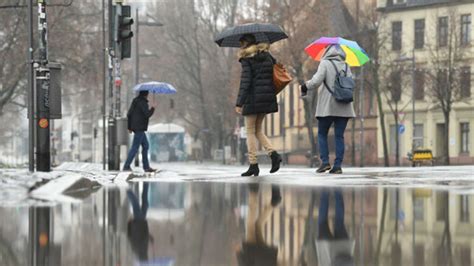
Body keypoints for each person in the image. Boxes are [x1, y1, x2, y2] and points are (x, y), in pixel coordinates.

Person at [300, 45, 355, 174]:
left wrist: (305, 86)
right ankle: (337, 166)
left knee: (322, 133)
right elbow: (351, 83)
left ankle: (325, 162)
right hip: (345, 106)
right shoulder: (346, 66)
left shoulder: (325, 63)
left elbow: (316, 81)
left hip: (328, 106)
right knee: (339, 136)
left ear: (327, 52)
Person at [235, 34, 282, 177]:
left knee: (250, 131)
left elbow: (246, 81)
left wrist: (239, 102)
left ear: (245, 44)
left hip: (252, 98)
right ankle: (273, 155)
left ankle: (253, 164)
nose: (240, 46)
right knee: (258, 130)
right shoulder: (267, 56)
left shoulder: (246, 59)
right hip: (266, 98)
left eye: (241, 43)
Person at [315, 189, 355, 266]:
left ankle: (337, 190)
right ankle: (325, 190)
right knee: (322, 223)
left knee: (339, 222)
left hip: (343, 250)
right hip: (327, 255)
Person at [123, 90, 157, 172]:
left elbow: (129, 114)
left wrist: (130, 127)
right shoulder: (143, 103)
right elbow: (147, 114)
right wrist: (153, 108)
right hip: (140, 128)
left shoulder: (135, 101)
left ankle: (146, 167)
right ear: (146, 94)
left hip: (136, 128)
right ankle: (126, 166)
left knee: (145, 146)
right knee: (135, 147)